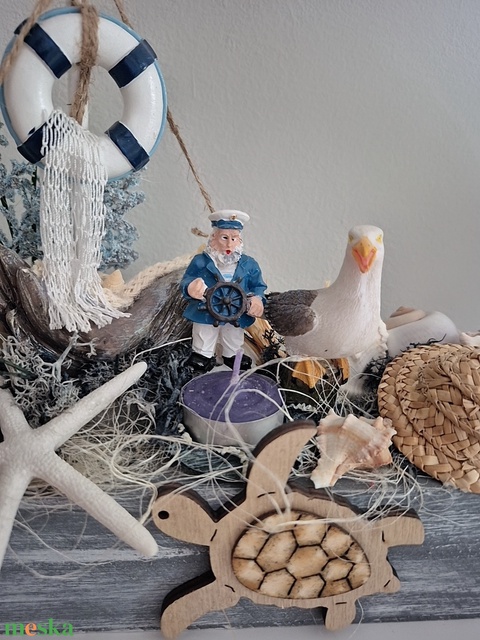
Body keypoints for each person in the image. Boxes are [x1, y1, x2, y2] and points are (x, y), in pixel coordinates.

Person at [181, 210, 267, 372]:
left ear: (239, 240)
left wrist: (257, 299)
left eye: (233, 239)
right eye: (224, 238)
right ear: (213, 238)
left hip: (236, 312)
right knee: (204, 335)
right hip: (206, 312)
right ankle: (202, 356)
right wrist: (191, 287)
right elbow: (186, 280)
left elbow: (258, 286)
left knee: (233, 336)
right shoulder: (200, 261)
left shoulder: (249, 264)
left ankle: (232, 356)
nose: (229, 244)